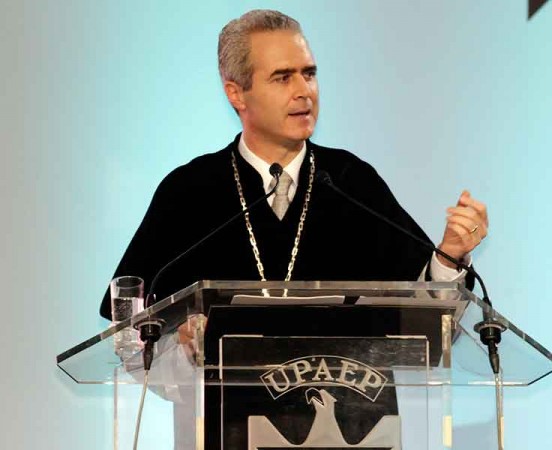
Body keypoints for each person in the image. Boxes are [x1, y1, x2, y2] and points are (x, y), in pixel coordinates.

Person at [99, 9, 489, 450]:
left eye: (310, 74)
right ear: (236, 93)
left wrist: (449, 256)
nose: (304, 91)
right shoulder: (189, 191)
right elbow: (133, 336)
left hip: (359, 434)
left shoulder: (351, 182)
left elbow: (426, 325)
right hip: (224, 433)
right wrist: (181, 350)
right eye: (283, 77)